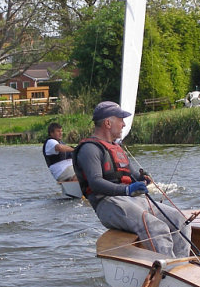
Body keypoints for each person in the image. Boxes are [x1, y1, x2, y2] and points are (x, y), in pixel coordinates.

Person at [72, 101, 191, 258]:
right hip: (108, 204)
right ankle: (166, 271)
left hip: (133, 200)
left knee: (180, 220)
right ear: (108, 123)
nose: (123, 124)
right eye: (120, 119)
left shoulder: (116, 148)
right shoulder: (90, 149)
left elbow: (132, 174)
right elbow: (95, 183)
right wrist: (127, 190)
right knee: (156, 228)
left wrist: (143, 179)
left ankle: (182, 266)